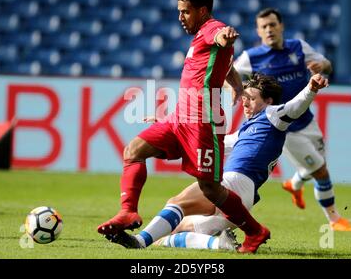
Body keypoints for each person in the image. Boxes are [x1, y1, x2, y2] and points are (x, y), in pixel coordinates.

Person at [97, 0, 270, 254]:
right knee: (133, 150)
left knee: (211, 189)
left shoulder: (212, 29)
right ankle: (128, 212)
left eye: (185, 12)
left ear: (202, 11)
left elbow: (222, 38)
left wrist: (225, 36)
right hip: (180, 118)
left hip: (203, 122)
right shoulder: (201, 35)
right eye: (179, 11)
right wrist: (236, 85)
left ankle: (255, 231)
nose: (180, 17)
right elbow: (226, 64)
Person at [108, 72, 329, 252]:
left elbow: (295, 107)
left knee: (177, 202)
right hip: (243, 199)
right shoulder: (245, 130)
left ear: (268, 101)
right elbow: (215, 144)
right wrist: (172, 130)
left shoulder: (273, 115)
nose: (246, 103)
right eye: (245, 98)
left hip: (234, 182)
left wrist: (311, 88)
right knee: (175, 231)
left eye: (252, 98)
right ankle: (219, 244)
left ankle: (139, 241)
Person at [232, 8, 351, 231]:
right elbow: (227, 72)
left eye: (272, 25)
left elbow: (326, 64)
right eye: (264, 27)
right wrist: (235, 89)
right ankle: (335, 219)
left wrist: (322, 66)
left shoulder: (298, 47)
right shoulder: (252, 57)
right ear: (258, 32)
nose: (269, 30)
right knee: (320, 171)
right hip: (282, 127)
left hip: (306, 120)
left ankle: (294, 183)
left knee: (318, 165)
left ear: (281, 27)